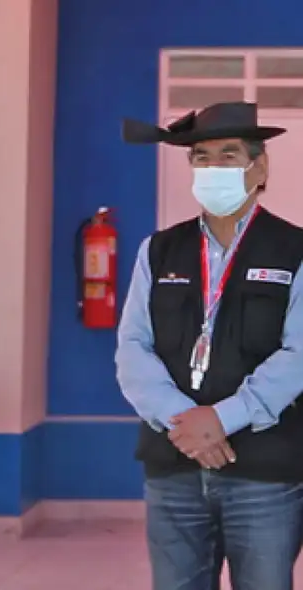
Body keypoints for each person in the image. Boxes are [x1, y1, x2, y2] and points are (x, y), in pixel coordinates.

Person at [116, 101, 303, 590]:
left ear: (259, 166)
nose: (213, 168)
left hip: (264, 472)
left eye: (228, 155)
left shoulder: (295, 251)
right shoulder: (158, 251)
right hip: (172, 466)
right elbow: (133, 347)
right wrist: (184, 421)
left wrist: (220, 419)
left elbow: (298, 355)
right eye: (202, 157)